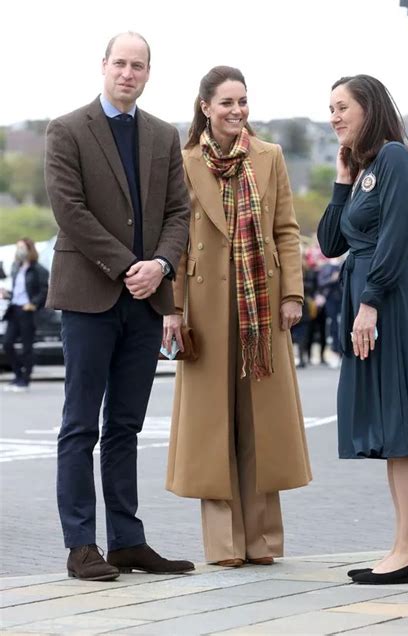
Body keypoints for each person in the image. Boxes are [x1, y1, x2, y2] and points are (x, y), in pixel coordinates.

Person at [44, 32, 193, 581]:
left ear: (148, 73)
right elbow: (70, 211)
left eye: (138, 65)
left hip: (147, 299)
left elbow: (180, 212)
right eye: (120, 64)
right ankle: (82, 545)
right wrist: (130, 264)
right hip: (89, 294)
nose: (128, 73)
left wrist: (161, 266)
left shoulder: (161, 134)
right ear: (103, 67)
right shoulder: (67, 129)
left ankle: (127, 540)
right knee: (80, 424)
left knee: (126, 425)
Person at [317, 75, 408, 585]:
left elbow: (398, 238)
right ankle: (404, 548)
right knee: (390, 433)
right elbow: (332, 242)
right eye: (329, 108)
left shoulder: (396, 158)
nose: (334, 116)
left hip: (391, 306)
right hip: (368, 301)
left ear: (369, 108)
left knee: (407, 429)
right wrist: (341, 179)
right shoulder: (364, 169)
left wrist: (370, 303)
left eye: (342, 107)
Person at [165, 66, 312, 567]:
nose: (237, 110)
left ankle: (262, 542)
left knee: (260, 424)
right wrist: (174, 308)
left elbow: (287, 231)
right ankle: (223, 545)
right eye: (226, 102)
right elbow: (177, 242)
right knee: (213, 427)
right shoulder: (183, 162)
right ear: (205, 106)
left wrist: (293, 293)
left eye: (243, 101)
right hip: (205, 308)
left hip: (262, 306)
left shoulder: (269, 156)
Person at [1, 238, 49, 391]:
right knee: (7, 343)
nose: (19, 250)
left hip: (28, 312)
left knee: (27, 347)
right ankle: (17, 375)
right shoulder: (16, 267)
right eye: (18, 247)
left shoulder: (39, 269)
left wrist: (34, 304)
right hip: (14, 309)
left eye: (22, 247)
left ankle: (25, 380)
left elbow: (44, 290)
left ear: (30, 249)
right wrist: (6, 293)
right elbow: (18, 291)